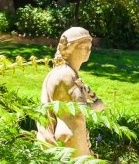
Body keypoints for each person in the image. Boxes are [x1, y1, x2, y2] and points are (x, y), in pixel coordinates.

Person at [36, 27, 105, 156]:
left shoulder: (66, 73)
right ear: (69, 48)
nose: (88, 51)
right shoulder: (66, 74)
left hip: (73, 135)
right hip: (71, 139)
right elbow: (77, 109)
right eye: (83, 47)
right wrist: (97, 105)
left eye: (89, 47)